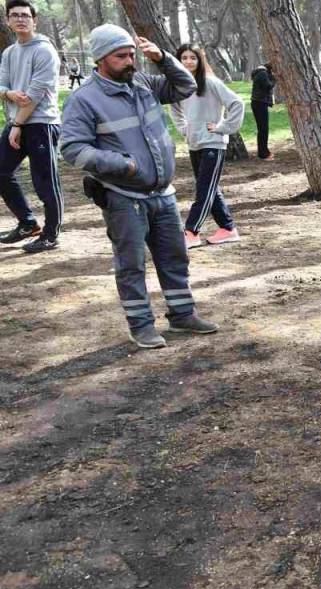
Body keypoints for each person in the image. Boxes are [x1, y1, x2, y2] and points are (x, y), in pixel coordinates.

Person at [60, 24, 218, 349]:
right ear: (101, 58)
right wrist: (123, 164)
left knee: (175, 257)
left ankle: (182, 314)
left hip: (163, 194)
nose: (130, 60)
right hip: (123, 197)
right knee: (131, 264)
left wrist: (162, 59)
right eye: (121, 56)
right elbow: (72, 149)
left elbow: (186, 86)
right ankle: (142, 325)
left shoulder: (142, 82)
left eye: (131, 54)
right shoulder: (84, 99)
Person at [0, 0, 63, 254]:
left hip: (41, 124)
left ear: (34, 21)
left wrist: (16, 124)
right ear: (7, 21)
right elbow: (1, 85)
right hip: (17, 122)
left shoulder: (45, 51)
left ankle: (50, 235)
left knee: (45, 182)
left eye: (26, 15)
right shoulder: (9, 53)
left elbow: (35, 95)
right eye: (14, 15)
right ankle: (27, 223)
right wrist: (9, 94)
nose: (20, 19)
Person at [171, 44, 245, 249]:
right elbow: (175, 110)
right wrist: (184, 129)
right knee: (210, 188)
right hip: (194, 143)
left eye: (192, 58)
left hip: (213, 143)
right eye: (184, 58)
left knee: (204, 189)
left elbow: (237, 103)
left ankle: (191, 231)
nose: (188, 61)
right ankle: (228, 229)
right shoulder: (178, 86)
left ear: (199, 60)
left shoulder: (211, 82)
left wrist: (224, 127)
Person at [250, 62, 274, 160]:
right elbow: (268, 86)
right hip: (259, 103)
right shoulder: (263, 73)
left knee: (262, 129)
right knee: (263, 129)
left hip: (258, 103)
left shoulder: (260, 72)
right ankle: (263, 153)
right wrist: (274, 78)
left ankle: (263, 151)